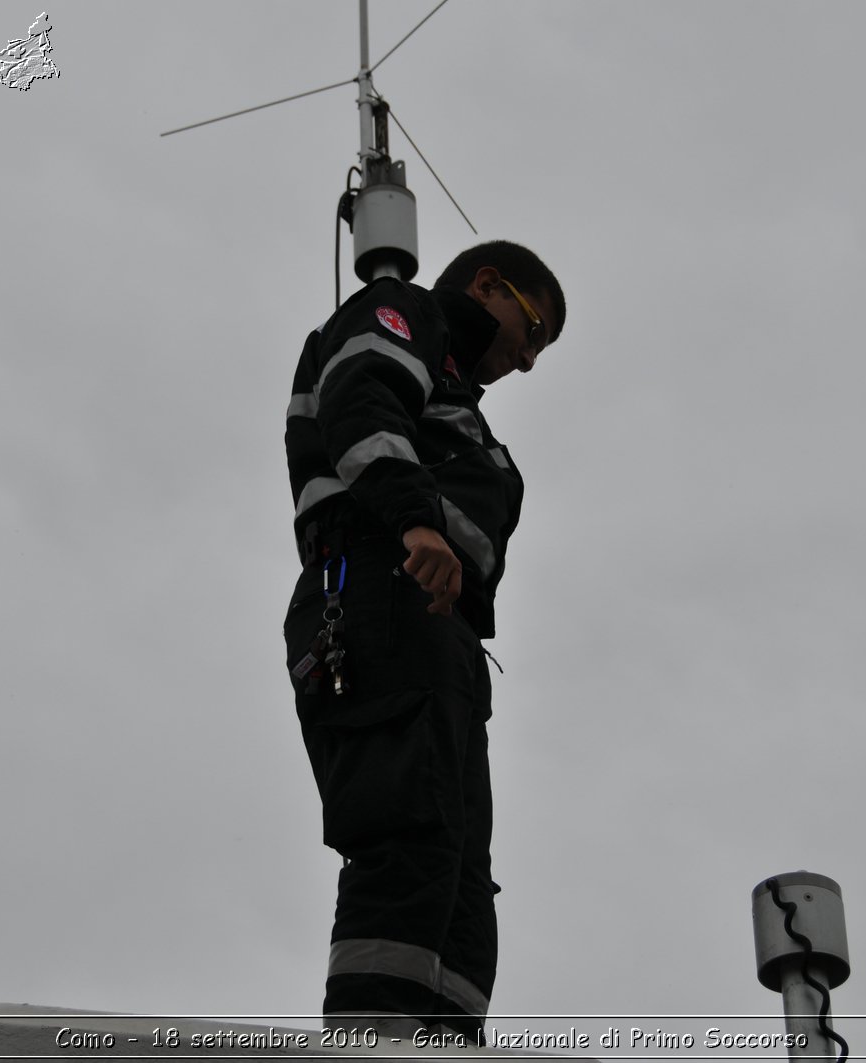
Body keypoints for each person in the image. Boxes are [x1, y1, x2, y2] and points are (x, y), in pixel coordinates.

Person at [282, 240, 565, 1045]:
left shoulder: (449, 386)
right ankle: (376, 1040)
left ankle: (446, 1041)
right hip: (381, 589)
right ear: (488, 284)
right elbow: (361, 395)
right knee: (409, 833)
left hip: (438, 628)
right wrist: (411, 517)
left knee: (459, 866)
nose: (530, 357)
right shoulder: (400, 314)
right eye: (534, 326)